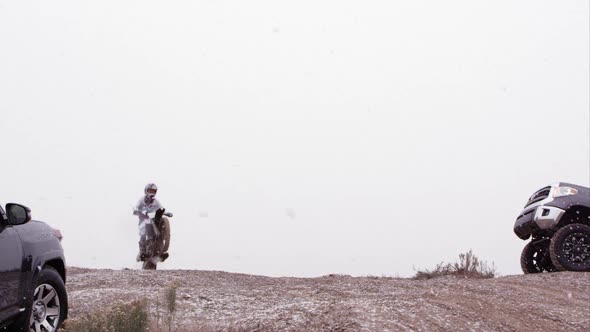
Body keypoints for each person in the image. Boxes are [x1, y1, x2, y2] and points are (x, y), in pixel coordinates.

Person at [133, 183, 164, 262]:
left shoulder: (155, 201)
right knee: (143, 232)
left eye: (153, 191)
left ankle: (160, 252)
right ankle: (142, 252)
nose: (152, 193)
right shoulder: (141, 200)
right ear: (146, 191)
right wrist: (138, 211)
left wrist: (165, 212)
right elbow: (136, 208)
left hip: (152, 221)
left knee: (159, 232)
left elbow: (160, 208)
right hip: (143, 220)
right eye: (150, 191)